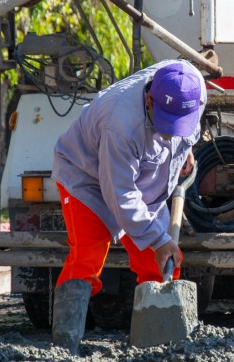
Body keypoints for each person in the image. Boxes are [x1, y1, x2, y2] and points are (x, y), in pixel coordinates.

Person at [50, 59, 207, 354]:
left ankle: (157, 345)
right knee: (86, 258)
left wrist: (185, 149)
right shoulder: (120, 124)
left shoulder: (193, 86)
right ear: (149, 99)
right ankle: (64, 348)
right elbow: (119, 194)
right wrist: (158, 238)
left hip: (143, 179)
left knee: (160, 261)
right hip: (87, 179)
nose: (172, 134)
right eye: (167, 126)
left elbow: (186, 134)